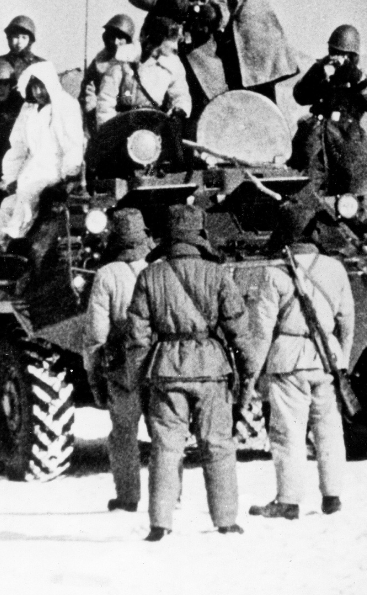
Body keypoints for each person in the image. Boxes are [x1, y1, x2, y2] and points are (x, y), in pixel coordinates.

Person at [126, 206, 255, 539]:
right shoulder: (218, 274)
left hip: (166, 369)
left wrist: (141, 376)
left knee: (165, 448)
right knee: (218, 446)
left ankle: (159, 524)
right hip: (212, 370)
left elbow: (137, 338)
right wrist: (247, 370)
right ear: (200, 236)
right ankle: (226, 521)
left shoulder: (149, 276)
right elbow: (239, 331)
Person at [244, 203, 354, 520]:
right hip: (328, 361)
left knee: (288, 434)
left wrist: (253, 374)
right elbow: (347, 321)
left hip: (288, 362)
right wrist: (341, 362)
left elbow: (262, 331)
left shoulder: (275, 273)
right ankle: (332, 496)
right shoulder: (336, 269)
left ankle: (288, 501)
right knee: (329, 431)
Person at [0, 61, 83, 263]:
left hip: (55, 168)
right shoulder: (28, 109)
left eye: (41, 87)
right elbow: (17, 146)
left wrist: (69, 175)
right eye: (34, 87)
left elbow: (73, 144)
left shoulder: (65, 105)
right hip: (33, 167)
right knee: (8, 204)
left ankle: (10, 246)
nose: (38, 93)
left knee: (27, 197)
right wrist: (10, 177)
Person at [82, 208, 154, 513]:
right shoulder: (160, 267)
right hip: (159, 363)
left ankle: (128, 497)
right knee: (165, 431)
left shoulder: (106, 275)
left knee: (124, 434)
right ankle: (170, 495)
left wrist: (94, 371)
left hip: (124, 367)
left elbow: (96, 333)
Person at [128, 0, 230, 110]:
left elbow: (223, 8)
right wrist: (162, 0)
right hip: (161, 40)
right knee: (153, 92)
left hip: (198, 47)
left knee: (207, 97)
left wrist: (213, 14)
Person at [289, 24, 367, 197]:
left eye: (342, 53)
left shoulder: (366, 72)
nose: (336, 56)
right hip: (315, 135)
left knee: (352, 192)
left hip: (347, 137)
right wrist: (317, 72)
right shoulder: (323, 69)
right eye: (333, 51)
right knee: (304, 189)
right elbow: (300, 96)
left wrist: (358, 78)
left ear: (353, 55)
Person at [94, 45, 191, 128]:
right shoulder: (124, 58)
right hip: (123, 123)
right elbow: (106, 98)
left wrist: (179, 112)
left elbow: (181, 95)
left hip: (156, 125)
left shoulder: (172, 64)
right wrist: (108, 129)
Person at [80, 14, 140, 136]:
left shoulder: (135, 63)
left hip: (132, 121)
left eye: (121, 38)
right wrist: (89, 102)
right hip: (101, 121)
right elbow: (84, 93)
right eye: (113, 37)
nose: (117, 42)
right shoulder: (97, 64)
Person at [0, 15, 45, 81]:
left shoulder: (40, 64)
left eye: (24, 37)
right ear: (9, 38)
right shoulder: (0, 63)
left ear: (30, 41)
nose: (19, 42)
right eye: (16, 37)